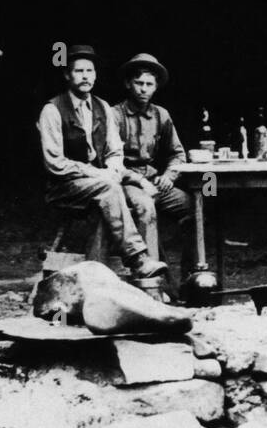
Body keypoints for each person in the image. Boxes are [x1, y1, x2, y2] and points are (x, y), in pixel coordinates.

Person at [36, 45, 167, 282]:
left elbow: (114, 151)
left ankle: (143, 282)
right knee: (108, 189)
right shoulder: (52, 110)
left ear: (95, 75)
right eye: (78, 71)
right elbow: (55, 163)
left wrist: (114, 170)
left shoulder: (102, 107)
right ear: (67, 75)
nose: (85, 76)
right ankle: (137, 258)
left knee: (128, 196)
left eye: (90, 71)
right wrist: (99, 174)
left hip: (101, 183)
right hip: (64, 188)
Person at [114, 53, 196, 283]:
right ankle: (151, 281)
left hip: (153, 179)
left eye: (149, 84)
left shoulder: (161, 115)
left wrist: (169, 175)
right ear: (128, 84)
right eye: (138, 83)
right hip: (125, 181)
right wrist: (136, 180)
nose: (143, 89)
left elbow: (177, 153)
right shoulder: (115, 115)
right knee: (146, 208)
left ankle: (191, 276)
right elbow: (109, 161)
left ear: (156, 87)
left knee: (194, 208)